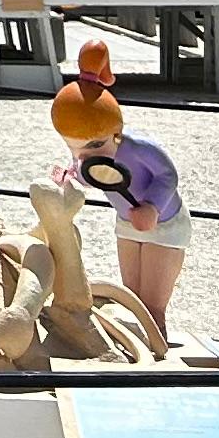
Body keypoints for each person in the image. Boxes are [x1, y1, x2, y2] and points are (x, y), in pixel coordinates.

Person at [48, 42, 189, 333]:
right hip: (126, 224)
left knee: (152, 307)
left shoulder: (137, 147)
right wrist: (71, 176)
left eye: (95, 146)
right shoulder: (88, 156)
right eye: (74, 148)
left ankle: (156, 352)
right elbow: (89, 174)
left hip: (165, 224)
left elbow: (167, 175)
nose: (85, 156)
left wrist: (152, 206)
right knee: (131, 301)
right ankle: (139, 347)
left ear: (115, 133)